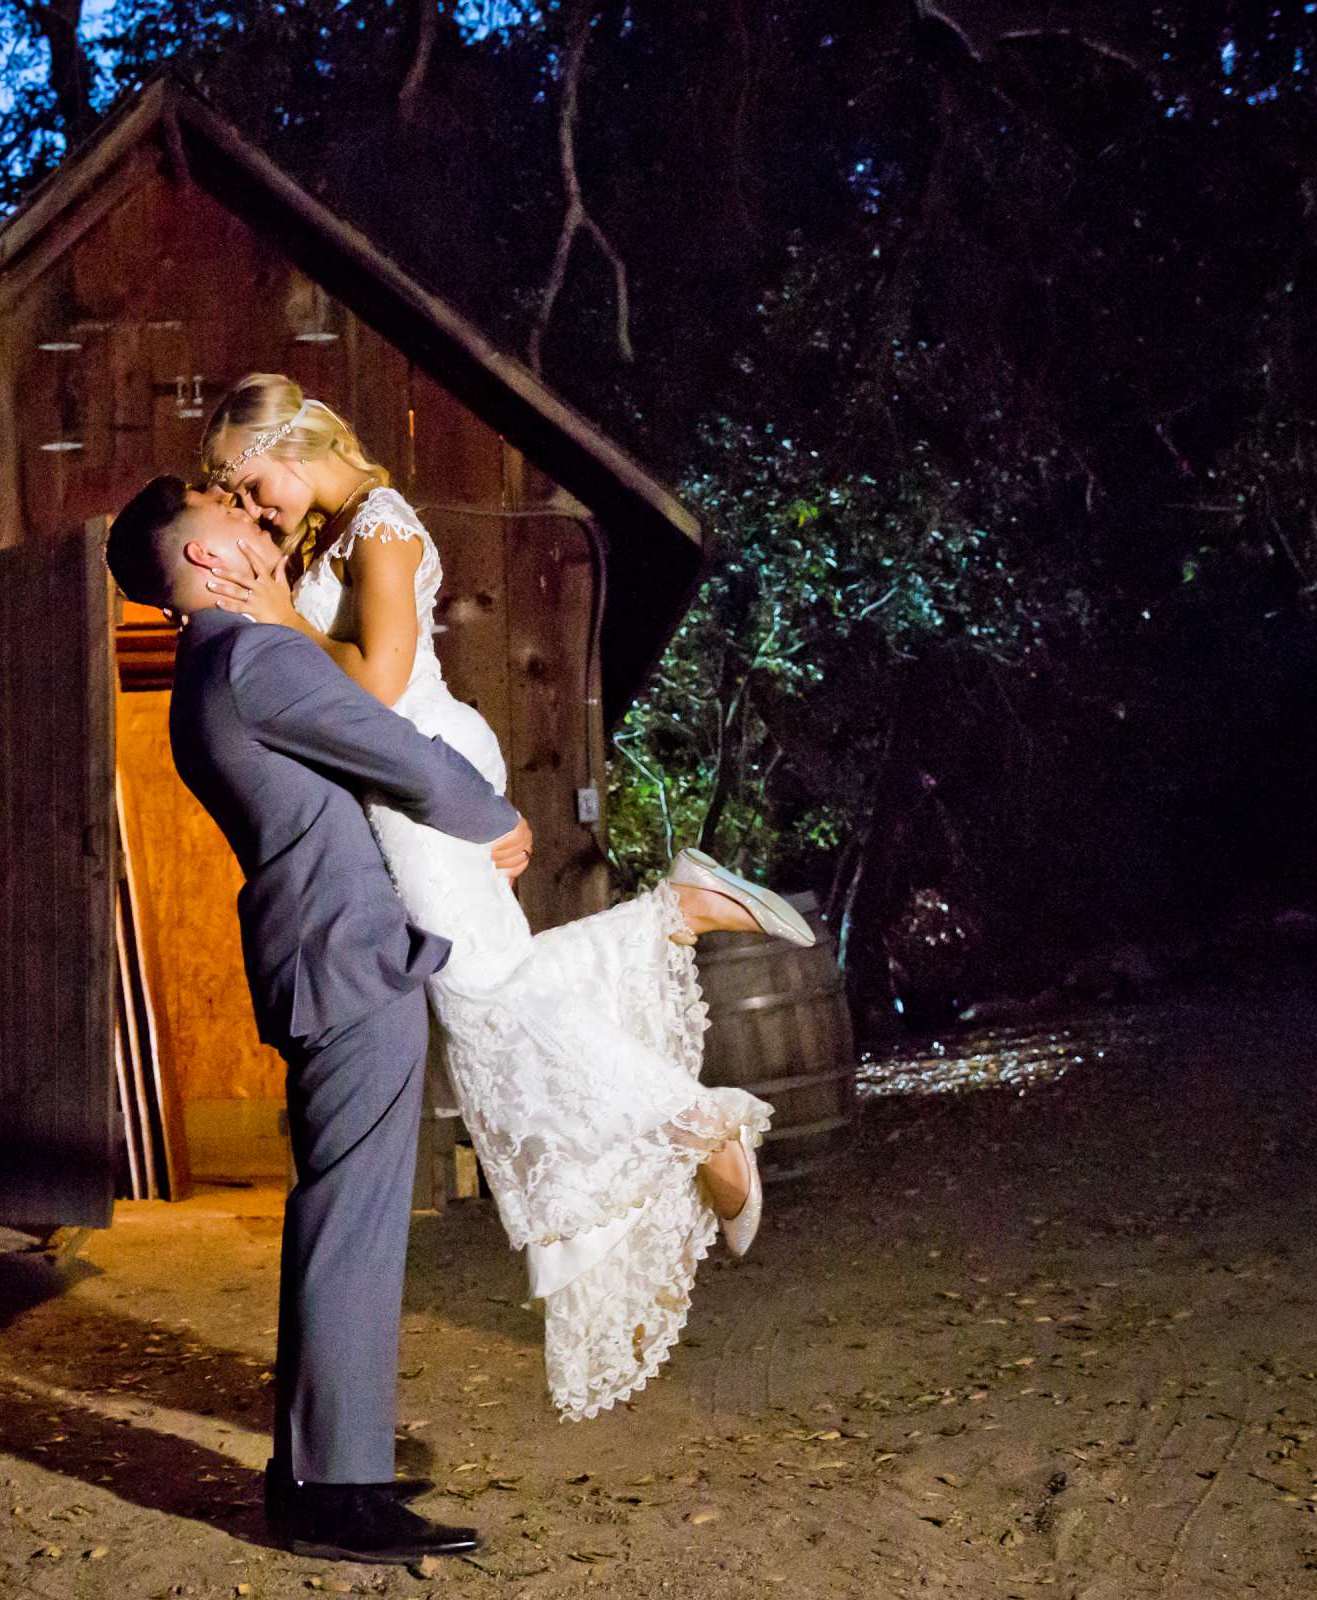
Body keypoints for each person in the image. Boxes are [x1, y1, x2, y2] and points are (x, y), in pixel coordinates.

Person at [192, 372, 817, 1422]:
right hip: (412, 782)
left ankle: (700, 1117)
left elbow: (383, 685)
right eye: (240, 502)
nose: (257, 511)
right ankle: (677, 916)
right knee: (500, 989)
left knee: (487, 1006)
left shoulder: (382, 524)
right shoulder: (335, 539)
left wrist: (280, 621)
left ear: (294, 444)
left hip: (420, 774)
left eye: (255, 486)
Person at [105, 474, 529, 1564]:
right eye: (232, 512)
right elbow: (392, 749)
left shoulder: (211, 672)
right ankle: (334, 1490)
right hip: (346, 958)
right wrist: (494, 817)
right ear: (206, 561)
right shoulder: (255, 658)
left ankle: (317, 1474)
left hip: (321, 955)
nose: (258, 518)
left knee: (345, 1217)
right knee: (353, 1224)